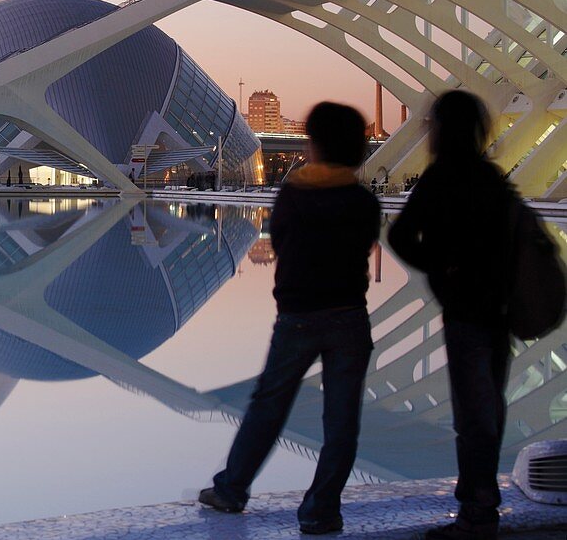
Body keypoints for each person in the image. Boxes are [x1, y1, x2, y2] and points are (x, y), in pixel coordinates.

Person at [198, 102, 379, 536]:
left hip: (298, 316)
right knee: (342, 419)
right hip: (349, 317)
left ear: (314, 144)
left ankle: (232, 490)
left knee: (269, 405)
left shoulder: (294, 194)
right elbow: (365, 244)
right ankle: (321, 509)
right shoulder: (361, 200)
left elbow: (278, 238)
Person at [388, 91, 513, 540]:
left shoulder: (442, 177)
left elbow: (401, 236)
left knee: (472, 413)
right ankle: (482, 504)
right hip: (498, 310)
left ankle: (476, 513)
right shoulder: (491, 177)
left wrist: (441, 269)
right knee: (490, 407)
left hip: (465, 311)